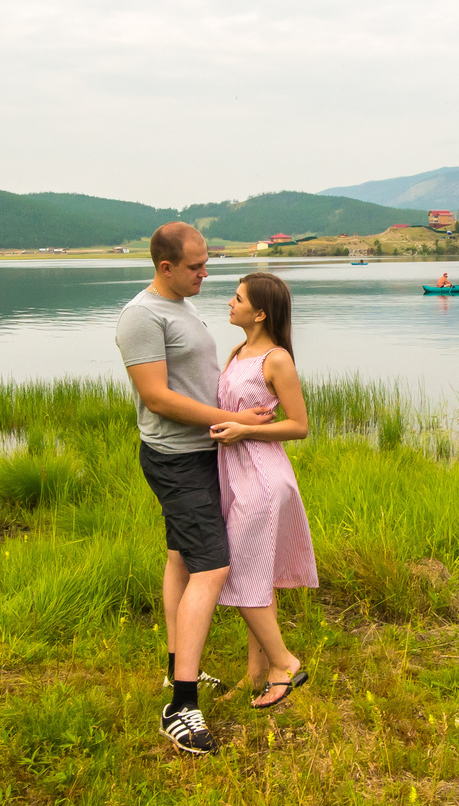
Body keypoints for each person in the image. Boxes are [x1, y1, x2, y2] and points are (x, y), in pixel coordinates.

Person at [117, 223, 272, 756]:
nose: (207, 273)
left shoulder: (182, 305)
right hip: (176, 459)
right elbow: (157, 397)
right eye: (196, 266)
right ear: (165, 267)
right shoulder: (142, 317)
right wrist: (230, 417)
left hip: (205, 453)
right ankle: (181, 707)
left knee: (181, 558)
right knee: (212, 566)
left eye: (207, 264)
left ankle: (176, 668)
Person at [208, 274, 319, 707]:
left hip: (261, 476)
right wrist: (236, 423)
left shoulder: (276, 360)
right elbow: (238, 413)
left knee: (238, 571)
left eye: (237, 299)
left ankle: (284, 665)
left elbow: (299, 425)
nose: (228, 303)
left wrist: (243, 432)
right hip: (233, 472)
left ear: (259, 313)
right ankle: (256, 673)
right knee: (256, 575)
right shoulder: (238, 352)